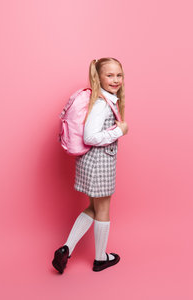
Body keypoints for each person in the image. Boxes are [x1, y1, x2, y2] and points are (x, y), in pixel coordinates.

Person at [52, 57, 129, 273]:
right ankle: (100, 258)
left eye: (119, 75)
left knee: (94, 208)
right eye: (109, 75)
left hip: (91, 163)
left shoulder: (105, 100)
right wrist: (119, 131)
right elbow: (90, 136)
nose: (115, 80)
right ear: (99, 77)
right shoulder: (101, 104)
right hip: (99, 162)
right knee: (103, 209)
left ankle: (66, 248)